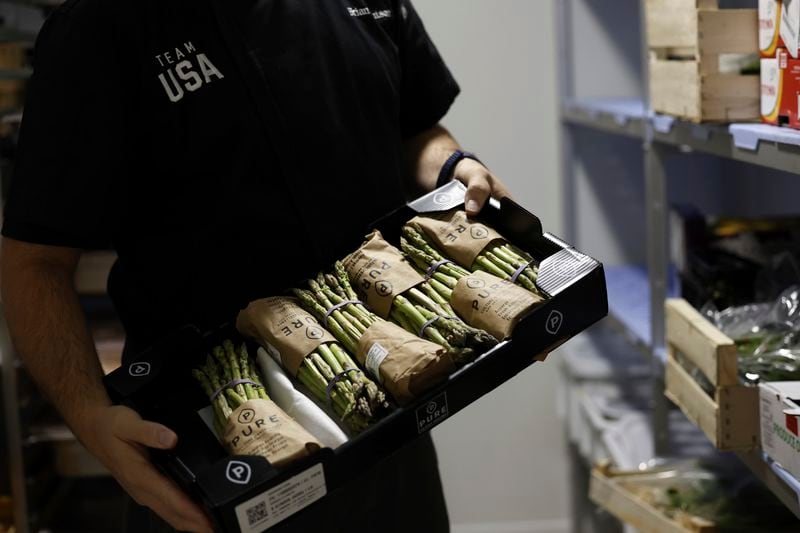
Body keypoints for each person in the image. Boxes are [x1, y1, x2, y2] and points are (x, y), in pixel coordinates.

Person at [0, 0, 511, 531]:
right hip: (217, 438)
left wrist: (455, 167)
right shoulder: (98, 30)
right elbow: (35, 261)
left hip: (389, 404)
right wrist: (89, 416)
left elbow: (416, 129)